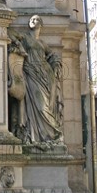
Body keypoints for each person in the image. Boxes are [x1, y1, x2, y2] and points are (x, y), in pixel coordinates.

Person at [8, 15, 63, 145]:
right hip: (31, 74)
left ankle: (48, 136)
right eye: (32, 19)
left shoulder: (43, 43)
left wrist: (55, 64)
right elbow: (10, 34)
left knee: (47, 105)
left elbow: (52, 56)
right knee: (40, 105)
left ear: (41, 24)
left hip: (45, 75)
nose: (33, 20)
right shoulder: (25, 37)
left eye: (36, 19)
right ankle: (39, 135)